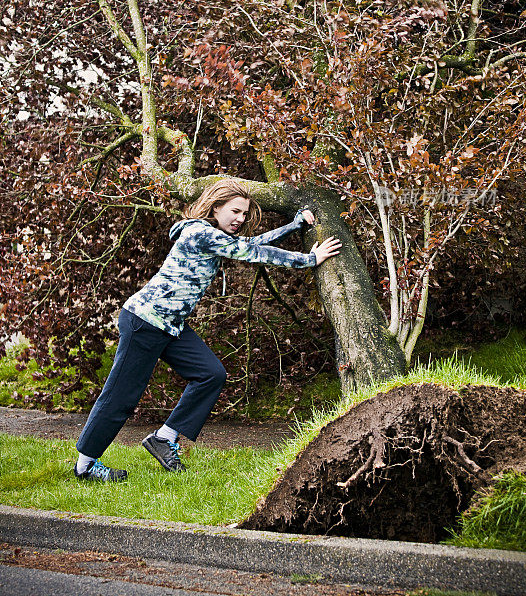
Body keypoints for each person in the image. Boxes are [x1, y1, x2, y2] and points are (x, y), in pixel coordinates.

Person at [74, 179, 342, 482]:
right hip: (146, 321)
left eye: (245, 213)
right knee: (121, 396)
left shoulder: (213, 235)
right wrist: (309, 260)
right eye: (235, 211)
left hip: (172, 325)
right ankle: (85, 464)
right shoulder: (200, 232)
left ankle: (165, 437)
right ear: (216, 206)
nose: (240, 219)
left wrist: (293, 226)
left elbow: (248, 246)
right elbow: (254, 253)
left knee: (211, 374)